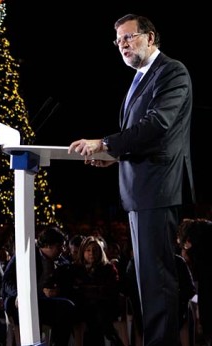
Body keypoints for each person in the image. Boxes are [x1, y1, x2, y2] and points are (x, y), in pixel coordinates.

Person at [68, 13, 194, 346]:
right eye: (118, 40)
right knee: (147, 280)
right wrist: (115, 157)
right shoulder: (140, 78)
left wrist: (105, 144)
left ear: (150, 37)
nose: (123, 45)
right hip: (141, 190)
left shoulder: (171, 72)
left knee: (158, 280)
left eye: (129, 37)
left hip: (158, 188)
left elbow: (157, 126)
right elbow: (141, 137)